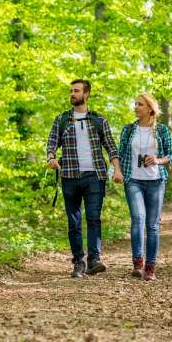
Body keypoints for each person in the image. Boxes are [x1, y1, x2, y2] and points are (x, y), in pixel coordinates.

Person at [47, 79, 124, 278]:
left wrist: (117, 170)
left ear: (86, 94)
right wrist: (51, 158)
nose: (72, 94)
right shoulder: (61, 119)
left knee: (93, 218)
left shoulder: (99, 121)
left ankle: (94, 260)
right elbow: (52, 143)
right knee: (73, 222)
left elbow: (111, 147)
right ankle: (78, 263)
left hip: (95, 176)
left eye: (76, 91)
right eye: (71, 91)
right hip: (69, 176)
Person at [118, 93, 172, 281]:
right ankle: (137, 264)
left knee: (153, 225)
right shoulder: (128, 130)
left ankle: (150, 268)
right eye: (135, 104)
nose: (135, 107)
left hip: (156, 181)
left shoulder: (162, 130)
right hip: (133, 179)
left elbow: (170, 155)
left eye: (139, 104)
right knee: (137, 219)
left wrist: (157, 160)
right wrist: (117, 172)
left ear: (150, 108)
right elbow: (120, 153)